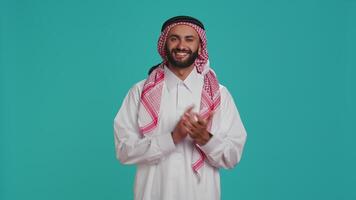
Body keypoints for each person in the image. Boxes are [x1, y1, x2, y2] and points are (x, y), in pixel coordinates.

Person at [113, 16, 247, 200]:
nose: (181, 45)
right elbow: (124, 151)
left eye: (189, 39)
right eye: (174, 38)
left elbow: (232, 157)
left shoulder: (219, 95)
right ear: (164, 44)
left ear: (200, 46)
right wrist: (171, 138)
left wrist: (205, 139)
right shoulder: (140, 92)